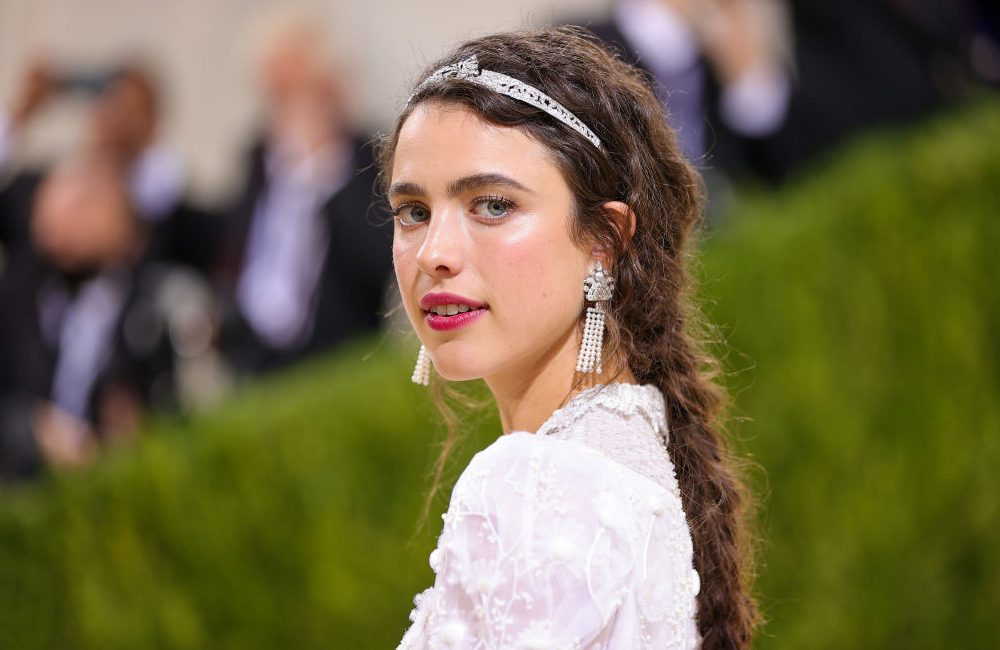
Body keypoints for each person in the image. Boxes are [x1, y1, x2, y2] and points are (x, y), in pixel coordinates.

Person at [380, 27, 755, 649]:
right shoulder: (630, 455)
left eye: (492, 205)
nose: (434, 254)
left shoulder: (534, 490)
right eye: (413, 212)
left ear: (604, 240)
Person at [211, 13, 392, 375]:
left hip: (337, 360)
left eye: (299, 92)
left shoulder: (373, 157)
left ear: (334, 88)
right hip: (253, 358)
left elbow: (378, 261)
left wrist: (320, 171)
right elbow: (239, 245)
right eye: (277, 96)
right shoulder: (257, 158)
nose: (288, 112)